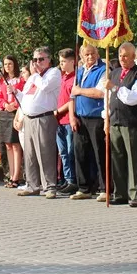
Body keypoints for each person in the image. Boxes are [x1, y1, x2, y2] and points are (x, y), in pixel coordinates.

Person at [106, 42, 137, 207]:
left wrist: (115, 88)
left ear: (134, 56)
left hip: (132, 121)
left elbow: (134, 98)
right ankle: (120, 193)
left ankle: (136, 193)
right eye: (120, 55)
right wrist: (107, 118)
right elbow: (108, 98)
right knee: (117, 158)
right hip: (115, 120)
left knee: (134, 158)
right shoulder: (115, 73)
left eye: (126, 56)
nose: (122, 59)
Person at [15, 47, 61, 198]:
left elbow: (46, 86)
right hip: (29, 118)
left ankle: (50, 186)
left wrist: (34, 75)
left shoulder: (53, 72)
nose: (37, 62)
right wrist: (16, 92)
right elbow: (25, 98)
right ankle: (32, 185)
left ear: (49, 59)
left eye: (41, 59)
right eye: (35, 59)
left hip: (44, 118)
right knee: (29, 154)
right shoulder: (33, 78)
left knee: (45, 153)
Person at [70, 45, 106, 200]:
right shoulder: (79, 71)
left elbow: (100, 92)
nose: (90, 57)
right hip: (80, 117)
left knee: (99, 153)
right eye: (86, 54)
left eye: (92, 53)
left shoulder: (103, 69)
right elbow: (72, 95)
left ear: (97, 54)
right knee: (80, 153)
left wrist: (80, 91)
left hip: (96, 117)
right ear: (81, 56)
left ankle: (104, 188)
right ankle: (84, 188)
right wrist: (72, 116)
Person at [0, 55, 24, 188]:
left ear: (15, 65)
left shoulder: (21, 79)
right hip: (4, 113)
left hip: (15, 113)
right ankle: (11, 174)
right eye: (5, 64)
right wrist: (5, 104)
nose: (7, 66)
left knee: (16, 145)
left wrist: (14, 105)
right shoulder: (2, 80)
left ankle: (16, 177)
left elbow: (24, 95)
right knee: (7, 144)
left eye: (10, 64)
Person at [54, 48, 77, 193]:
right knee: (62, 152)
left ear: (72, 61)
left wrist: (58, 111)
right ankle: (67, 179)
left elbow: (71, 101)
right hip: (59, 121)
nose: (61, 64)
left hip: (68, 119)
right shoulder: (62, 77)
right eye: (60, 61)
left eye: (63, 61)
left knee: (70, 151)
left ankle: (73, 180)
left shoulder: (76, 78)